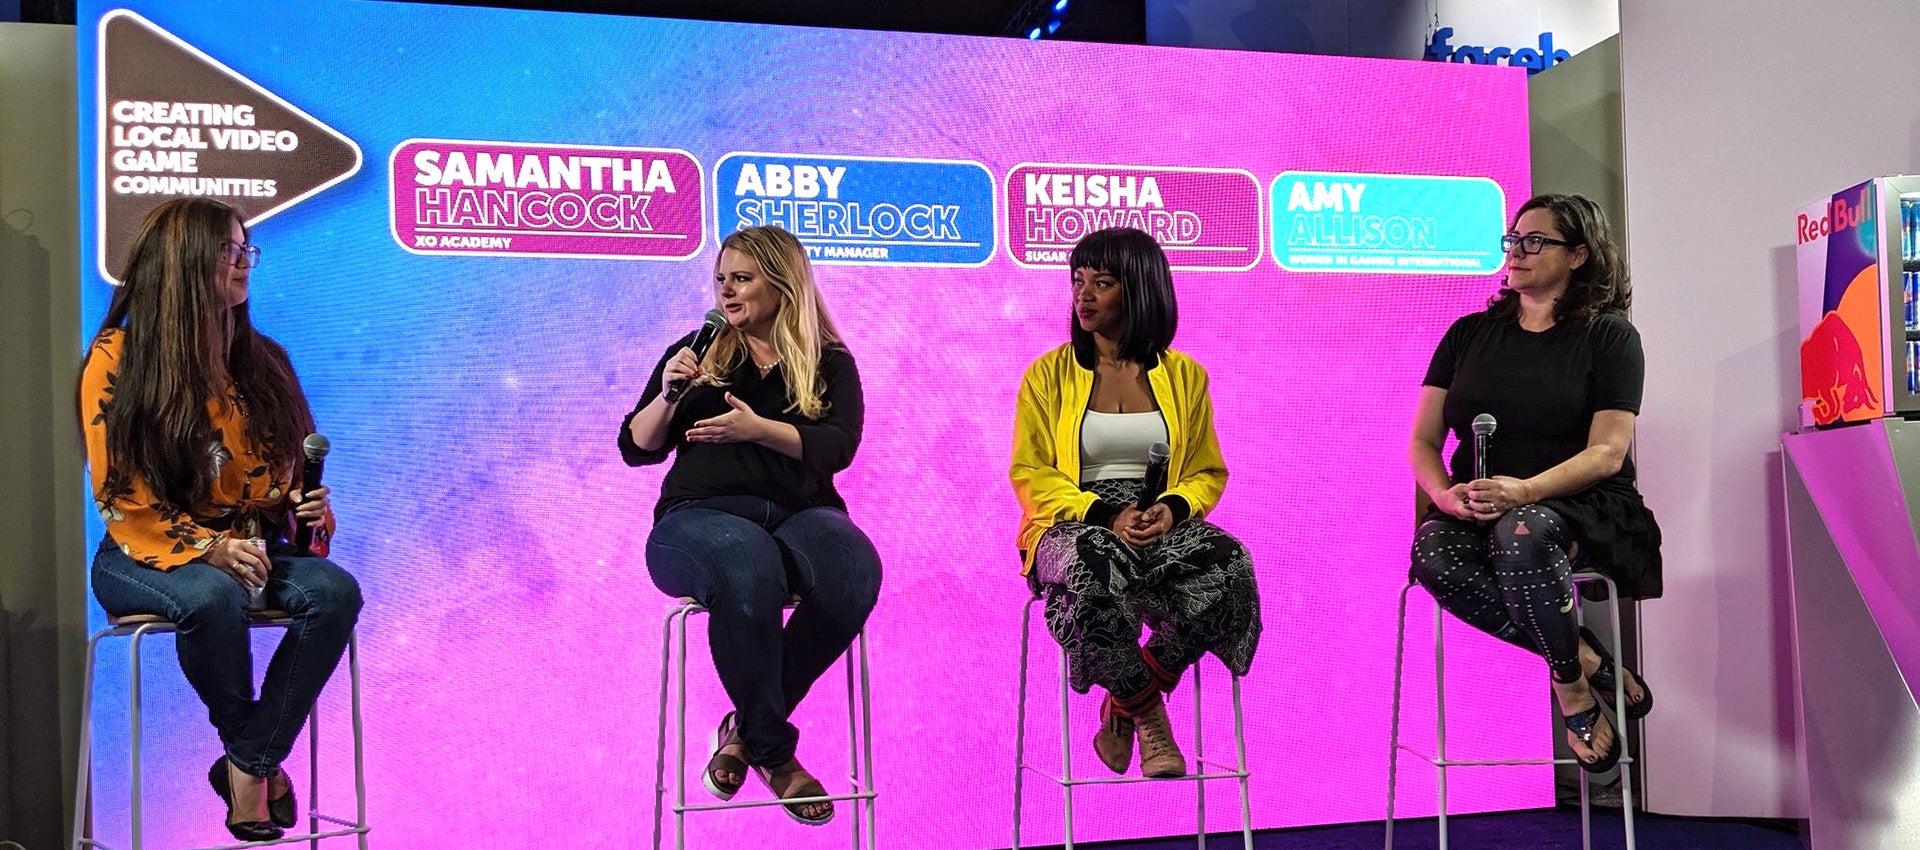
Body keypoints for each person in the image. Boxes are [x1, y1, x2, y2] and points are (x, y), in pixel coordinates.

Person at [80, 197, 362, 841]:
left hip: (255, 546)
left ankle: (248, 762)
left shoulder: (266, 359)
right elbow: (123, 493)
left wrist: (304, 508)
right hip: (143, 552)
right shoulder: (119, 357)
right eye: (227, 253)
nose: (243, 264)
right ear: (181, 264)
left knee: (334, 591)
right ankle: (256, 773)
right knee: (211, 596)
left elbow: (283, 481)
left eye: (245, 251)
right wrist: (210, 549)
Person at [619, 225, 880, 826]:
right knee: (747, 563)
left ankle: (744, 731)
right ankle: (772, 751)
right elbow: (637, 447)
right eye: (721, 280)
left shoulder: (828, 360)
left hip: (800, 514)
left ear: (782, 283)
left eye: (742, 279)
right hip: (697, 520)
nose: (726, 293)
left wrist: (756, 428)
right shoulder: (697, 351)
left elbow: (837, 446)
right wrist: (667, 394)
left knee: (852, 571)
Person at [1408, 192, 1661, 774]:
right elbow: (1422, 441)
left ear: (1577, 255)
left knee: (1519, 536)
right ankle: (1586, 659)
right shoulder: (1469, 334)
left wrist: (1524, 490)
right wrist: (1444, 493)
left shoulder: (1611, 337)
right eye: (1512, 240)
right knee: (1433, 556)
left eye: (1533, 241)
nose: (1516, 252)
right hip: (1482, 501)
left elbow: (1607, 451)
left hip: (1581, 502)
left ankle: (1570, 691)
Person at [1010, 226, 1261, 779]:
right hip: (1071, 525)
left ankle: (1122, 701)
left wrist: (1171, 508)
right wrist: (1104, 514)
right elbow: (1030, 475)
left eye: (1102, 282)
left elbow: (1204, 471)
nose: (1084, 295)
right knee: (1096, 566)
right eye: (1078, 281)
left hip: (1156, 521)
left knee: (1229, 566)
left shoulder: (1185, 375)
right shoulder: (1047, 375)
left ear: (1141, 290)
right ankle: (1150, 721)